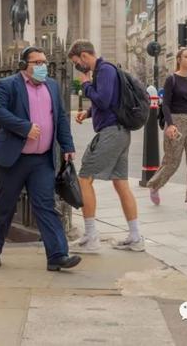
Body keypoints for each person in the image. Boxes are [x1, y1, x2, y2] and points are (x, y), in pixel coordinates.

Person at [0, 46, 81, 271]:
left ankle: (58, 255)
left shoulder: (52, 87)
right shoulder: (8, 85)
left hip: (41, 160)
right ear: (24, 66)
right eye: (37, 63)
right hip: (14, 159)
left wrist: (67, 146)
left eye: (44, 62)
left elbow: (60, 118)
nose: (42, 67)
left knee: (46, 206)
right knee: (5, 206)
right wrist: (24, 127)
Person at [68, 40, 145, 253]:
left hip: (111, 133)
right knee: (120, 183)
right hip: (120, 131)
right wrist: (89, 112)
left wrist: (85, 84)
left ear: (84, 56)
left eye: (76, 63)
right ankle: (135, 236)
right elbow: (111, 101)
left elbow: (102, 99)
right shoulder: (106, 70)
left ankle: (91, 237)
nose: (78, 68)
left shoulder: (103, 70)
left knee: (84, 179)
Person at [146, 47, 187, 213]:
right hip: (176, 123)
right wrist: (170, 125)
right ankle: (154, 185)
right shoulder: (171, 79)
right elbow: (165, 104)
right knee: (172, 162)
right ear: (179, 59)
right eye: (186, 56)